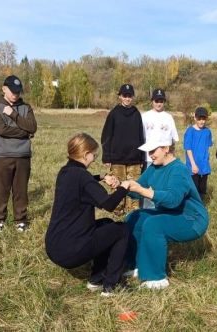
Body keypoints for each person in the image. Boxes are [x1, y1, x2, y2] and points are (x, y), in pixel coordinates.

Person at [45, 133, 132, 296]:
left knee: (106, 224)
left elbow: (83, 183)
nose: (94, 159)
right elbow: (109, 204)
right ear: (85, 154)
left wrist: (102, 177)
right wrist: (124, 187)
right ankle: (111, 286)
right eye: (94, 155)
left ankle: (97, 279)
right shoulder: (82, 177)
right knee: (122, 230)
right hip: (71, 251)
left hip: (54, 245)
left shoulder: (65, 172)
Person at [124, 139, 209, 289]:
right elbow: (138, 189)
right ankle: (136, 265)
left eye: (153, 151)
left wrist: (143, 191)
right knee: (134, 218)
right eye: (149, 152)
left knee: (153, 225)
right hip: (168, 213)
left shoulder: (179, 170)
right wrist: (122, 186)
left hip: (192, 219)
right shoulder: (153, 168)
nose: (150, 155)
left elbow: (173, 200)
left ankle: (156, 279)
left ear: (166, 148)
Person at [0, 75, 37, 232]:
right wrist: (25, 133)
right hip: (2, 155)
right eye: (12, 91)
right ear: (4, 89)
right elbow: (2, 130)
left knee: (21, 190)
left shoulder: (26, 107)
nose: (16, 94)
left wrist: (13, 114)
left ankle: (20, 220)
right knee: (1, 190)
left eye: (18, 92)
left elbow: (33, 127)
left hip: (23, 155)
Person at [100, 84, 145, 216]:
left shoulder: (136, 114)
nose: (127, 98)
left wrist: (141, 157)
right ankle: (118, 211)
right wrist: (106, 157)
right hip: (117, 158)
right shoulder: (114, 113)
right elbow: (106, 136)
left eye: (129, 96)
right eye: (124, 96)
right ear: (120, 97)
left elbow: (140, 136)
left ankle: (133, 212)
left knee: (134, 186)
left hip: (134, 159)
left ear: (133, 97)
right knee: (117, 185)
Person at [141, 88, 179, 208]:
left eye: (161, 101)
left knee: (162, 185)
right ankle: (148, 210)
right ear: (152, 101)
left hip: (165, 160)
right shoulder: (144, 116)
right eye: (156, 100)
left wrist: (172, 157)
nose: (159, 103)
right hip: (149, 159)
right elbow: (140, 138)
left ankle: (161, 209)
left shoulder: (168, 117)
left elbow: (174, 140)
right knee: (149, 186)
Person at [183, 107, 213, 200]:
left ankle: (201, 207)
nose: (201, 121)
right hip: (193, 165)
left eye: (203, 119)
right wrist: (193, 165)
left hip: (204, 166)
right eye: (199, 119)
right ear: (195, 118)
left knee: (202, 189)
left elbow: (208, 146)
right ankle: (192, 209)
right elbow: (188, 149)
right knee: (194, 190)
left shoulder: (207, 131)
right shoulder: (190, 131)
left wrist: (206, 160)